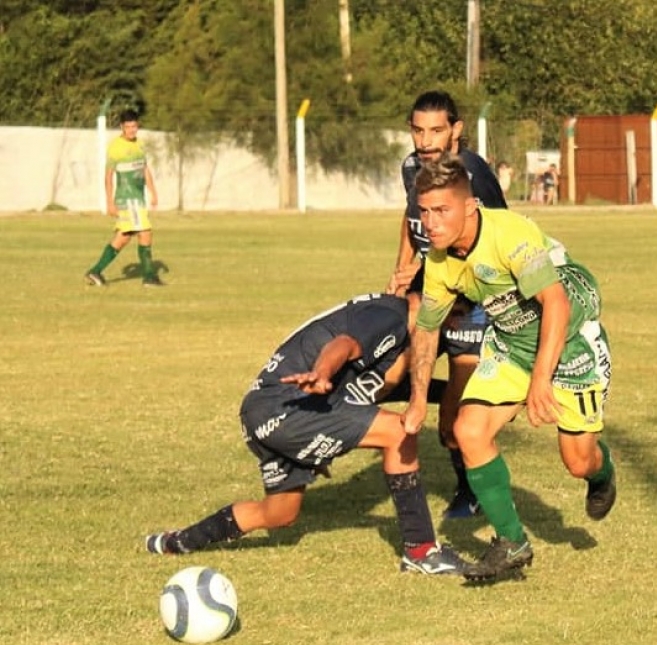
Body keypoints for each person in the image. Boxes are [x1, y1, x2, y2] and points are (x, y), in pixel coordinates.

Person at [144, 292, 471, 576]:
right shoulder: (391, 316)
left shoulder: (396, 330)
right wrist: (322, 373)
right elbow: (343, 344)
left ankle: (175, 542)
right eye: (456, 315)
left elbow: (390, 386)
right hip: (287, 406)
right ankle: (421, 551)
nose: (455, 327)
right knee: (400, 432)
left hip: (265, 410)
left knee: (279, 514)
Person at [402, 154, 616, 582]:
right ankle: (512, 543)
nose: (431, 223)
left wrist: (540, 381)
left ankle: (603, 472)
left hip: (569, 341)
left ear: (470, 206)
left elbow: (554, 303)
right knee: (468, 430)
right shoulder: (440, 262)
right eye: (423, 212)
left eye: (441, 211)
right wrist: (416, 400)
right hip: (510, 342)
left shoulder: (508, 234)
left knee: (578, 461)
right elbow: (427, 330)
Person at [388, 90, 509, 520]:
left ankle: (469, 490)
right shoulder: (412, 167)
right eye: (418, 130)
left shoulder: (473, 174)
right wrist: (403, 269)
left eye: (436, 130)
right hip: (430, 290)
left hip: (473, 304)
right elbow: (411, 216)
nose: (425, 141)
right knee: (385, 377)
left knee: (451, 426)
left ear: (456, 130)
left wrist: (464, 289)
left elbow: (497, 240)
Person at [85, 109, 163, 287]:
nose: (131, 130)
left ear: (138, 126)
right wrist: (109, 202)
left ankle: (95, 271)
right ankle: (149, 276)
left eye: (134, 126)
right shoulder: (116, 147)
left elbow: (144, 169)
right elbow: (108, 176)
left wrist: (153, 191)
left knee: (123, 237)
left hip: (138, 198)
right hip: (128, 199)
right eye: (127, 127)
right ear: (121, 127)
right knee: (145, 233)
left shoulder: (140, 145)